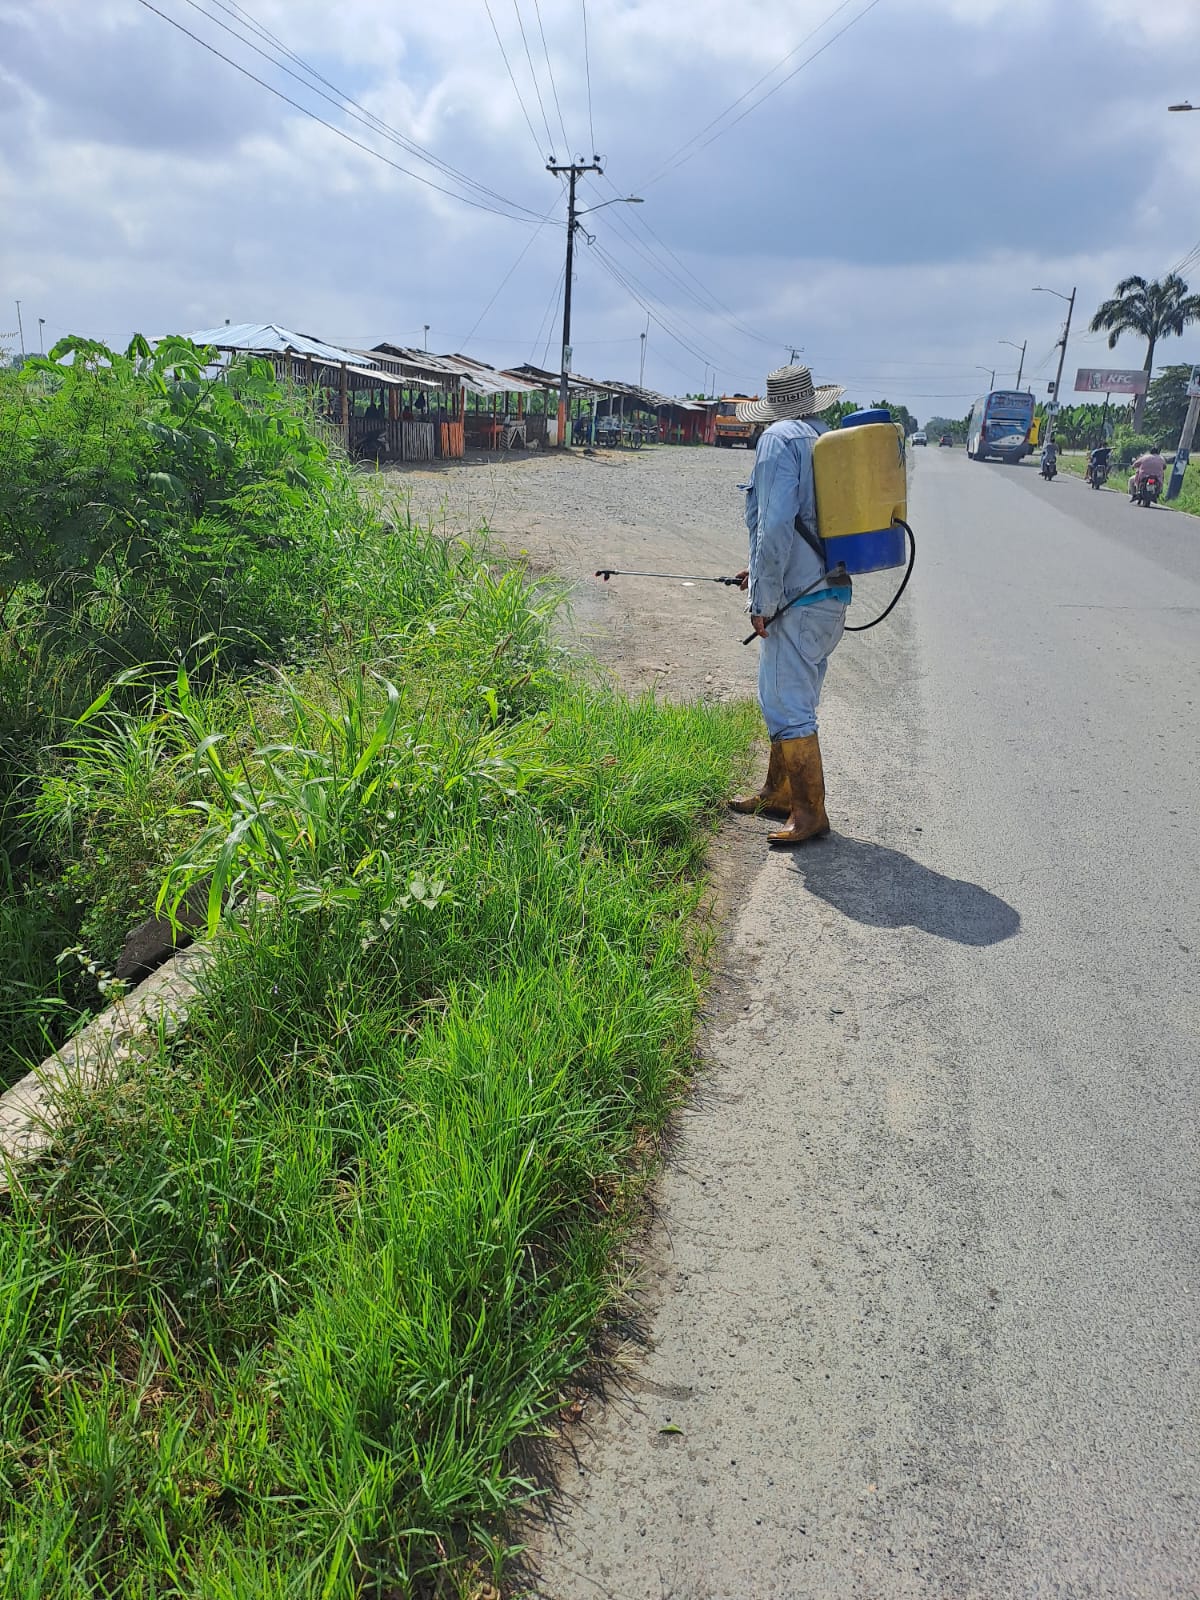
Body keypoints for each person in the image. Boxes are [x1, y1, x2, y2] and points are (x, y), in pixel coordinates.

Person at [727, 364, 851, 848]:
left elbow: (776, 525)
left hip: (798, 598)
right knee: (785, 695)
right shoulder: (824, 437)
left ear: (772, 407)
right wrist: (757, 571)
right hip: (829, 592)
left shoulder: (779, 439)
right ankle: (779, 793)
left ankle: (809, 812)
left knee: (786, 701)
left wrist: (762, 598)